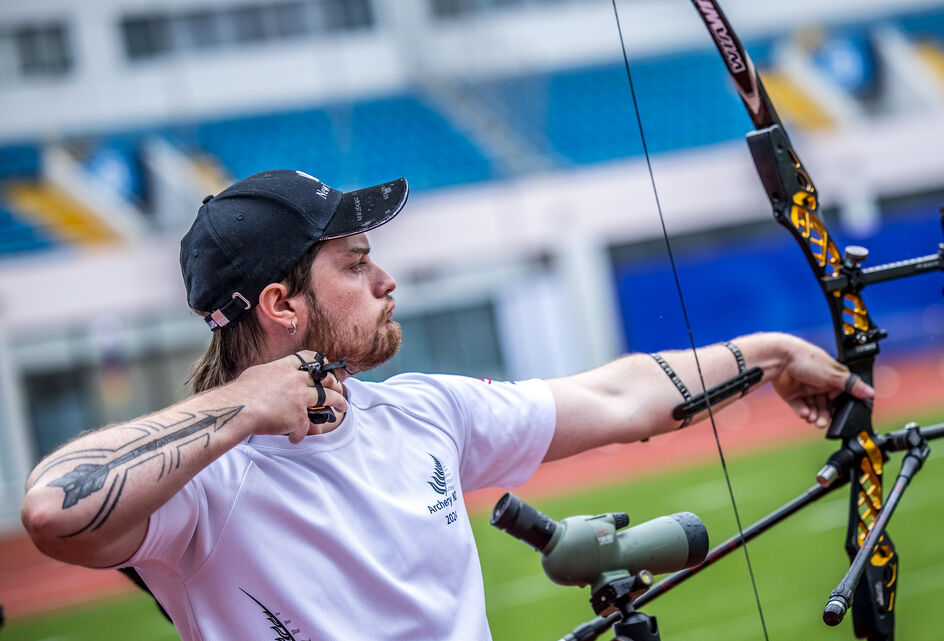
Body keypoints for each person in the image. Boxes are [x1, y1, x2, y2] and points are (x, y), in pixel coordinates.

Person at [21, 170, 873, 640]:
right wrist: (245, 406)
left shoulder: (420, 413)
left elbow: (618, 397)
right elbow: (55, 507)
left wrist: (768, 353)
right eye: (355, 265)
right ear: (281, 305)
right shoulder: (204, 487)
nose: (387, 281)